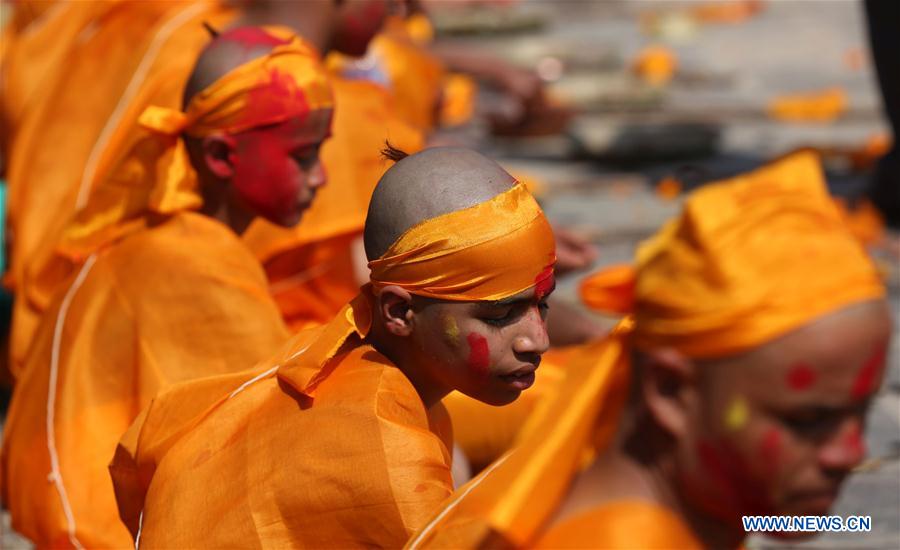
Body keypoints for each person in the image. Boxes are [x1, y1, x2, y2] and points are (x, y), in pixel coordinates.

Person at [406, 151, 891, 549]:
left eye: (861, 414)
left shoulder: (700, 500)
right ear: (669, 390)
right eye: (807, 421)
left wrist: (854, 525)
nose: (851, 452)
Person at [109, 147, 556, 547]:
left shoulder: (337, 355)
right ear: (399, 313)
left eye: (544, 304)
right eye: (500, 315)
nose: (538, 339)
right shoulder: (387, 451)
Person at [0, 27, 335, 548]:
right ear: (223, 156)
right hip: (94, 529)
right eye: (305, 156)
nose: (323, 179)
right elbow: (263, 427)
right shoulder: (193, 262)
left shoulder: (172, 236)